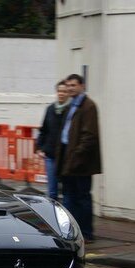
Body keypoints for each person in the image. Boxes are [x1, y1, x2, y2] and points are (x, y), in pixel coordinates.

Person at [56, 73, 102, 243]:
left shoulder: (88, 106)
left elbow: (89, 136)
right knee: (69, 197)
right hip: (68, 159)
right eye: (68, 85)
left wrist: (76, 157)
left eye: (73, 85)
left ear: (82, 86)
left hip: (81, 163)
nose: (69, 88)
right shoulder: (70, 106)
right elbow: (65, 134)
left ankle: (87, 233)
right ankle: (71, 232)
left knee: (82, 198)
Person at [36, 80, 70, 201]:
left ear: (68, 94)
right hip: (50, 155)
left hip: (66, 157)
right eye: (59, 91)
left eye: (64, 91)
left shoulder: (71, 110)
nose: (61, 93)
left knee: (67, 191)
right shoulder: (50, 109)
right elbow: (43, 129)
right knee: (52, 191)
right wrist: (39, 147)